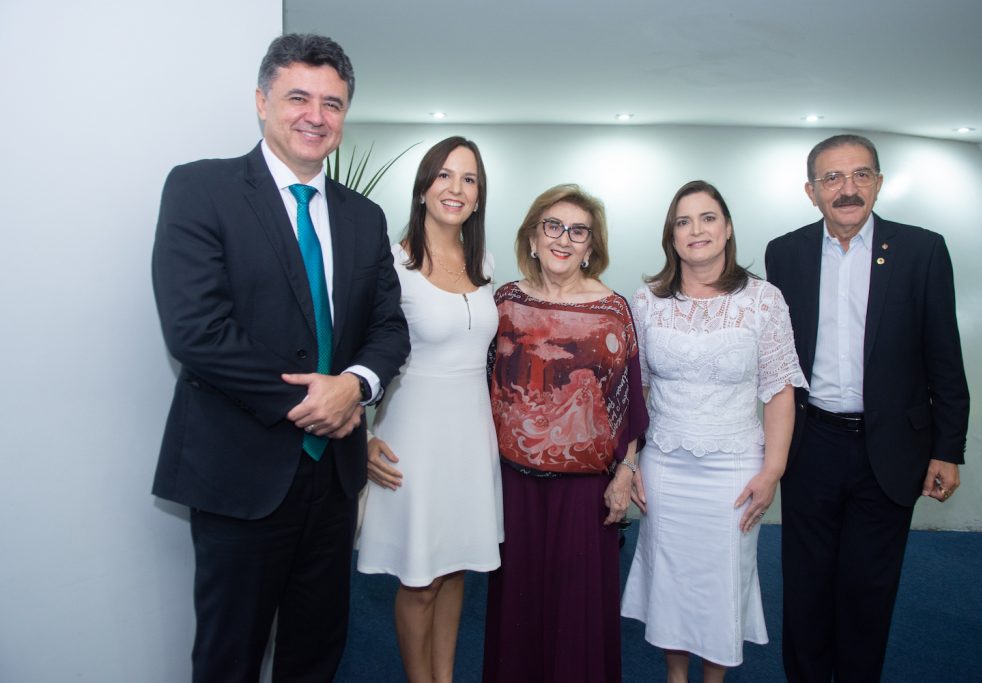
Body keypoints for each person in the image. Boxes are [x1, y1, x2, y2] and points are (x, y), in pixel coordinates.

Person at [150, 34, 409, 682]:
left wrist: (355, 385)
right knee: (229, 658)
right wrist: (317, 400)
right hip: (238, 473)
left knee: (316, 653)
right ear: (262, 101)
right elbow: (195, 330)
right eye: (299, 97)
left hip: (335, 481)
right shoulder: (200, 188)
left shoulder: (365, 217)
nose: (315, 116)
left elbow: (389, 328)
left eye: (332, 103)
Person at [765, 134, 970, 682]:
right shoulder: (785, 253)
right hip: (811, 445)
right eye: (832, 178)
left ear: (879, 183)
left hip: (892, 449)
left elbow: (944, 356)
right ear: (811, 192)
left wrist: (948, 449)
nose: (847, 189)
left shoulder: (923, 250)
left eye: (860, 175)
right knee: (805, 587)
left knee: (868, 591)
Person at [620, 180, 806, 683]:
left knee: (724, 580)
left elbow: (780, 389)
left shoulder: (764, 300)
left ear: (727, 228)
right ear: (671, 236)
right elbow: (635, 391)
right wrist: (630, 462)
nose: (696, 230)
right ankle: (675, 676)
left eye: (707, 218)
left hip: (735, 468)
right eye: (683, 222)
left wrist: (773, 470)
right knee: (671, 579)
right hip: (665, 463)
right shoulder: (647, 301)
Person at [483, 184, 649, 683]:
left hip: (584, 493)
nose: (563, 238)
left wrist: (625, 473)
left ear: (590, 247)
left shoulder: (613, 310)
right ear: (533, 237)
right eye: (552, 226)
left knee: (578, 619)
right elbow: (479, 384)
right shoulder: (504, 303)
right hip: (512, 486)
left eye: (578, 231)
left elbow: (629, 400)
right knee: (517, 611)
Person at [356, 136, 503, 683]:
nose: (455, 188)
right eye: (444, 175)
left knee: (456, 567)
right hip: (413, 441)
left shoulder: (483, 262)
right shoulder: (391, 264)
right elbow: (357, 355)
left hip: (472, 440)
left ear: (479, 195)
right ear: (423, 188)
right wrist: (360, 437)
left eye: (469, 179)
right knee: (419, 580)